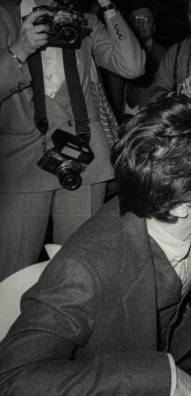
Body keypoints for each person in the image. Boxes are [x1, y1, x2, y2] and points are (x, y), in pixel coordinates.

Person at [0, 96, 191, 396]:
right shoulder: (85, 269)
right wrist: (158, 380)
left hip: (178, 354)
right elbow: (7, 388)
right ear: (182, 202)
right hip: (111, 383)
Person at [0, 0, 145, 281]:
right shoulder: (5, 17)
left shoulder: (85, 21)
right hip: (22, 163)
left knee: (79, 269)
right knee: (12, 273)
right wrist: (19, 51)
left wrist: (110, 6)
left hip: (84, 160)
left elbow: (133, 66)